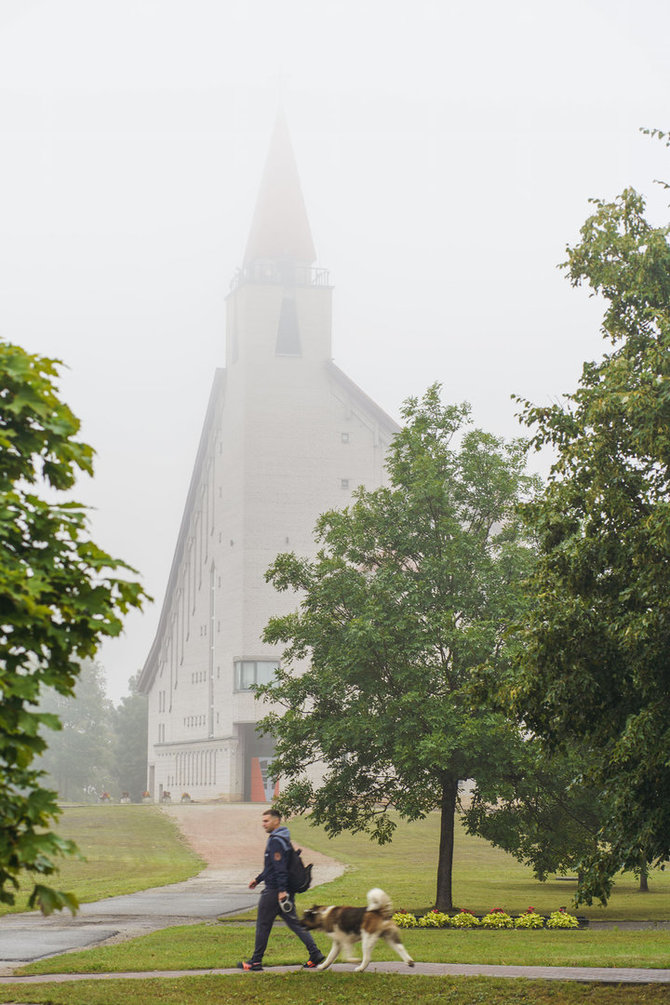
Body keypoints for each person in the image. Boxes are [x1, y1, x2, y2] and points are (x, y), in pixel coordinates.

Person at [237, 807, 325, 971]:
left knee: (263, 925)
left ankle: (255, 961)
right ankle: (315, 954)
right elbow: (272, 867)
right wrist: (258, 879)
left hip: (275, 891)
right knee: (295, 924)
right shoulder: (283, 839)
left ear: (276, 821)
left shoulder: (276, 840)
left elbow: (280, 868)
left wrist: (281, 890)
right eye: (263, 821)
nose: (263, 824)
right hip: (282, 891)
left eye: (266, 821)